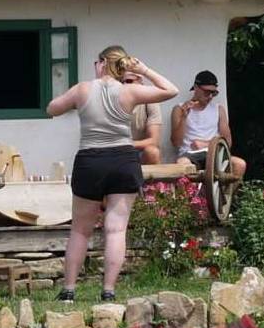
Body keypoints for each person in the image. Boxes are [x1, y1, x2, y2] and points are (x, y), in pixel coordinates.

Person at [47, 46, 179, 303]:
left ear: (103, 62)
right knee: (116, 230)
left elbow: (52, 109)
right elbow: (171, 90)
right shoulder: (130, 91)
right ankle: (108, 291)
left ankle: (69, 290)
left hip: (90, 160)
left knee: (80, 230)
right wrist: (144, 70)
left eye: (97, 62)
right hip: (122, 159)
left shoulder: (82, 89)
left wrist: (75, 103)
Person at [169, 70, 247, 180]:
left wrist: (206, 144)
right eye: (207, 92)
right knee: (182, 164)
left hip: (213, 153)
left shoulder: (218, 109)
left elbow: (227, 142)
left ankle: (224, 196)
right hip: (190, 155)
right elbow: (176, 142)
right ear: (196, 88)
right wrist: (184, 117)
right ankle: (187, 197)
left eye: (213, 93)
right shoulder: (179, 109)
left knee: (239, 164)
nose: (210, 96)